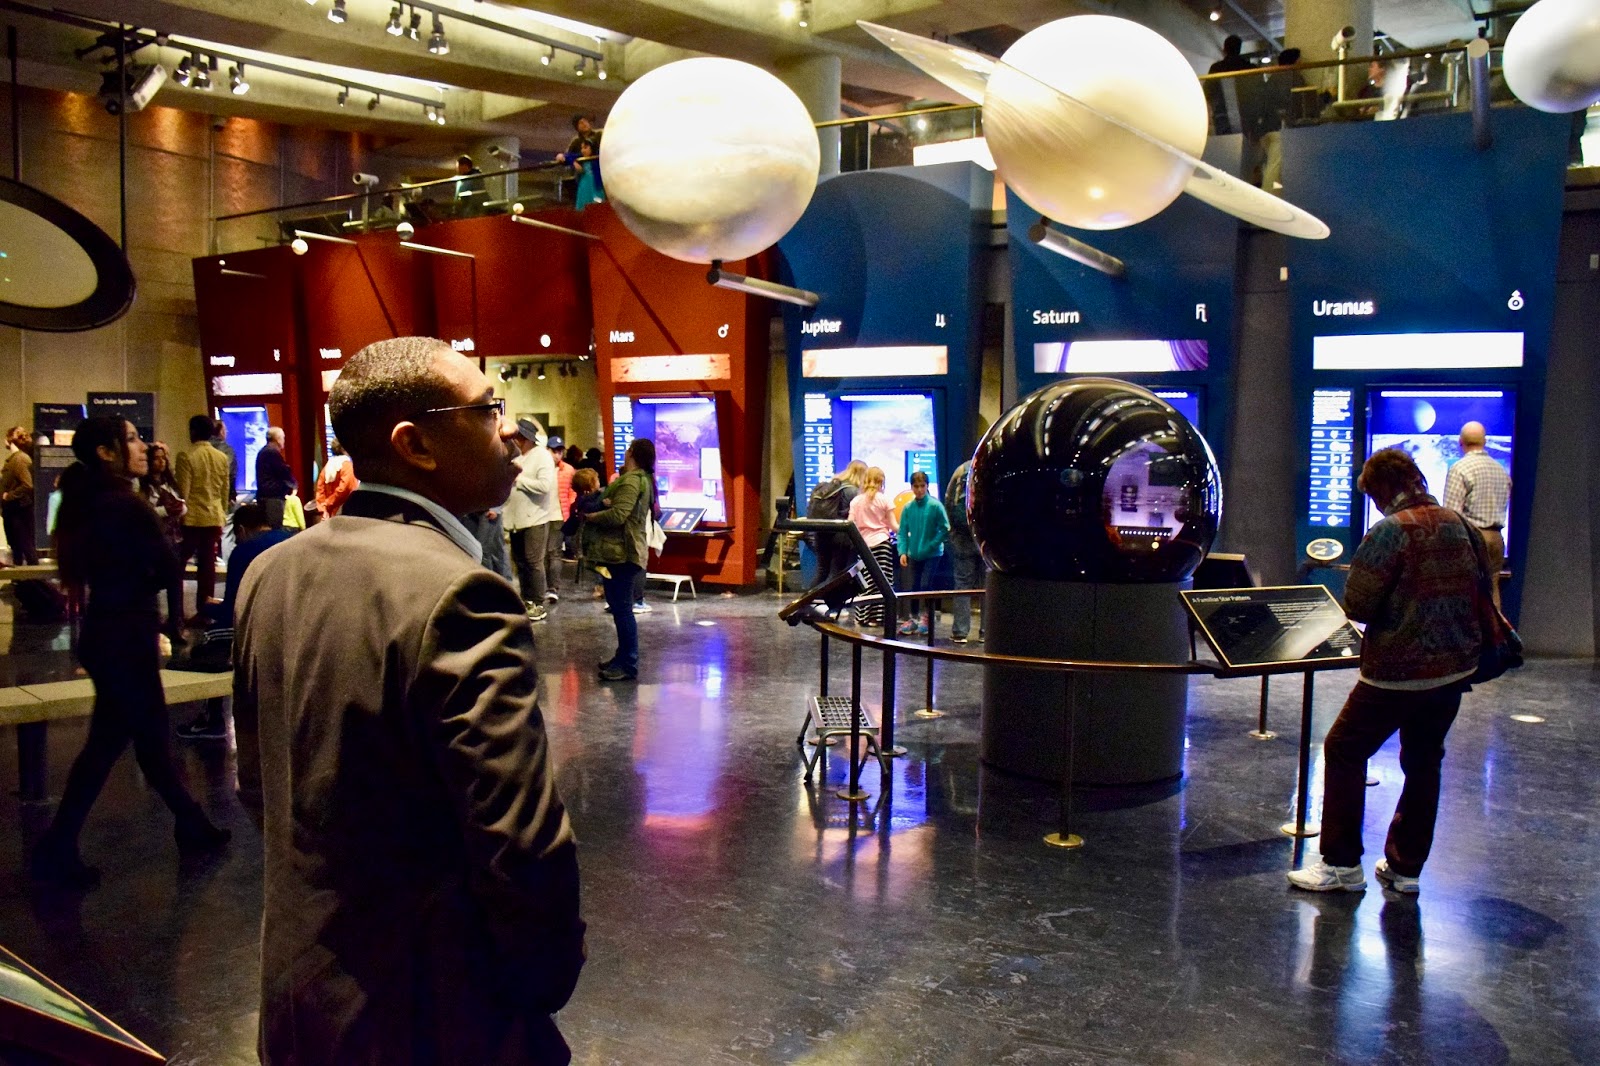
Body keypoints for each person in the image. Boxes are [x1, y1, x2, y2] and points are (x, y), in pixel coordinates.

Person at [233, 336, 585, 1065]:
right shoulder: (461, 593)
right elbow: (516, 840)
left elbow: (259, 784)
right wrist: (535, 986)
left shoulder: (272, 571)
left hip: (302, 997)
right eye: (487, 410)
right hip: (429, 1012)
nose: (508, 433)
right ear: (415, 444)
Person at [30, 416, 230, 888]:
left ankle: (189, 822)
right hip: (126, 637)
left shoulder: (88, 501)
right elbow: (165, 567)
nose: (144, 447)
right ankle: (58, 846)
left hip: (110, 633)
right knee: (117, 744)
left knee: (143, 741)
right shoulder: (124, 504)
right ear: (107, 452)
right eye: (134, 440)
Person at [1288, 448, 1485, 895]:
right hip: (1453, 670)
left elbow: (1359, 605)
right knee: (1424, 761)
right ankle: (1405, 869)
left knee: (1343, 749)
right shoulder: (1460, 524)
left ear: (1380, 490)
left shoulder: (1388, 531)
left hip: (1395, 672)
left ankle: (1341, 865)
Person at [178, 501, 294, 741]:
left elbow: (234, 609)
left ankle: (212, 720)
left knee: (211, 637)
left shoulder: (244, 551)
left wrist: (207, 606)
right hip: (293, 622)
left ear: (241, 530)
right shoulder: (292, 540)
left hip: (260, 625)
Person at [582, 438, 653, 681]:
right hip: (620, 552)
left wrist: (592, 516)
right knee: (619, 607)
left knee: (622, 609)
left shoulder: (632, 480)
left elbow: (619, 515)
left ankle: (628, 663)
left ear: (632, 453)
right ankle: (622, 658)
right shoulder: (638, 479)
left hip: (622, 553)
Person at [1443, 420, 1511, 610]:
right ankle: (1494, 628)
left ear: (1460, 442)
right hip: (1496, 538)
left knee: (1465, 591)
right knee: (1492, 589)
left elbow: (1451, 515)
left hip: (1471, 539)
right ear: (1485, 442)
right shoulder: (1500, 470)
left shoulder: (1460, 469)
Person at [174, 413, 231, 624]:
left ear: (193, 431)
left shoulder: (186, 456)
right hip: (214, 516)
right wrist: (221, 513)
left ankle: (177, 612)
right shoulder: (221, 457)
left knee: (178, 565)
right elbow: (224, 491)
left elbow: (184, 491)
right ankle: (205, 611)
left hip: (192, 519)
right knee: (207, 567)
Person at [504, 418, 558, 622]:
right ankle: (526, 601)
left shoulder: (542, 456)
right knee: (520, 561)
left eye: (517, 437)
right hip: (515, 520)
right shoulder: (517, 456)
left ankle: (537, 602)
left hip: (535, 519)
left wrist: (518, 479)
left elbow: (544, 486)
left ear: (525, 438)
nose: (514, 441)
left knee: (533, 562)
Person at [139, 441, 187, 643]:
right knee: (152, 583)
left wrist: (177, 508)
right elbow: (144, 511)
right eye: (156, 458)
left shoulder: (170, 484)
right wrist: (166, 510)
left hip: (173, 538)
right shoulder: (142, 485)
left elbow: (182, 505)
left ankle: (176, 625)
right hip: (153, 540)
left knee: (175, 583)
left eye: (163, 458)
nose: (161, 462)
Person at [896, 470, 949, 637]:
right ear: (911, 487)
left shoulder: (935, 506)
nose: (919, 490)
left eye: (922, 486)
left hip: (932, 554)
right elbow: (902, 532)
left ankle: (927, 618)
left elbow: (945, 529)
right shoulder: (908, 508)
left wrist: (932, 545)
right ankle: (913, 618)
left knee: (926, 585)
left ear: (927, 486)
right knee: (913, 587)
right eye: (916, 486)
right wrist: (902, 551)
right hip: (914, 554)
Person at [848, 466, 897, 629]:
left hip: (863, 546)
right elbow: (893, 525)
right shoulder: (885, 500)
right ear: (881, 482)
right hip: (882, 544)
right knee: (882, 583)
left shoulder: (856, 501)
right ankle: (876, 618)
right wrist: (908, 532)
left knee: (864, 582)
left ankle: (861, 617)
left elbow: (850, 524)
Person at [944, 460, 985, 644]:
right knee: (987, 587)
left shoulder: (961, 470)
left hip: (963, 539)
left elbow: (949, 502)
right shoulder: (990, 467)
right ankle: (986, 632)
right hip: (986, 538)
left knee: (962, 585)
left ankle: (960, 632)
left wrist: (954, 532)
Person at [1, 425, 37, 565]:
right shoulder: (15, 458)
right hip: (13, 512)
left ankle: (33, 577)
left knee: (26, 546)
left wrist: (9, 496)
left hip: (19, 512)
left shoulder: (20, 459)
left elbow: (27, 485)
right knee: (17, 548)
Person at [1205, 35, 1251, 135]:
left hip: (1222, 115)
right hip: (1246, 115)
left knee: (1226, 142)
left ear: (1224, 49)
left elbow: (1207, 91)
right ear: (1239, 49)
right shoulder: (1249, 68)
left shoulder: (1216, 68)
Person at [255, 426, 297, 530]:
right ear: (277, 439)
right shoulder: (271, 453)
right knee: (275, 529)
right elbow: (283, 473)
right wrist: (292, 485)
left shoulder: (264, 451)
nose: (284, 441)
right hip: (272, 499)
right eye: (283, 438)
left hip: (266, 498)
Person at [548, 435, 574, 600]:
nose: (557, 455)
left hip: (558, 515)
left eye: (560, 451)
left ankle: (553, 588)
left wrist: (569, 508)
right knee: (541, 554)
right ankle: (543, 586)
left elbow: (573, 491)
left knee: (554, 551)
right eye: (554, 451)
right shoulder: (542, 467)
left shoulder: (568, 470)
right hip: (540, 515)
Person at [558, 115, 603, 209]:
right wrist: (572, 162)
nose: (584, 124)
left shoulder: (599, 135)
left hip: (600, 177)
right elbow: (567, 155)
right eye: (580, 123)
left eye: (585, 121)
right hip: (584, 179)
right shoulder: (576, 141)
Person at [313, 437, 358, 518]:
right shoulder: (347, 466)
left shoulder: (327, 467)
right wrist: (329, 502)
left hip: (330, 514)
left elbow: (320, 490)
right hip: (345, 512)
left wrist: (324, 508)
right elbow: (346, 488)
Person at [209, 418, 238, 506]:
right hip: (224, 496)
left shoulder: (200, 450)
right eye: (225, 430)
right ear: (221, 432)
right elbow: (228, 473)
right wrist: (230, 496)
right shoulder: (227, 450)